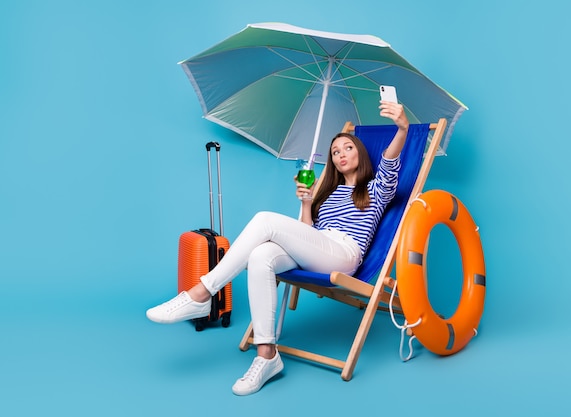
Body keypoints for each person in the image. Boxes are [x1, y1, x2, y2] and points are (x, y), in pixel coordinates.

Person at [146, 100, 409, 395]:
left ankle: (202, 291)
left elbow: (389, 162)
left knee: (265, 220)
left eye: (347, 148)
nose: (340, 154)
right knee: (261, 256)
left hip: (344, 255)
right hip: (320, 250)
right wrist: (307, 204)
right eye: (335, 152)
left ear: (360, 153)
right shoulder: (330, 193)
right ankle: (267, 355)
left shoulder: (377, 188)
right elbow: (309, 235)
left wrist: (402, 128)